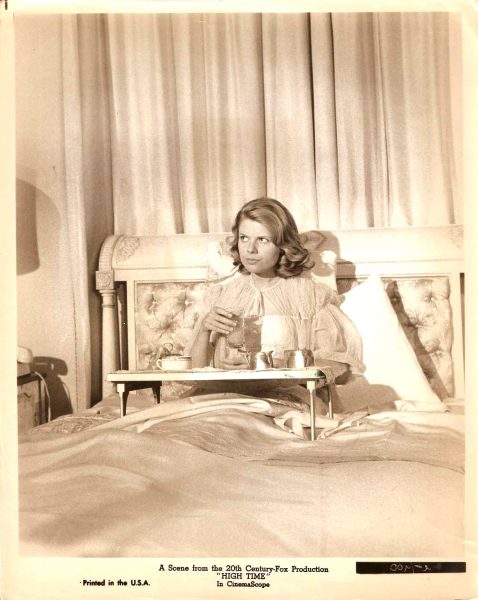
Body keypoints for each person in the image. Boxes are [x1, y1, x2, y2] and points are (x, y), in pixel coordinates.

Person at [189, 198, 364, 386]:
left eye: (263, 240)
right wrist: (204, 330)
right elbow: (194, 376)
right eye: (244, 238)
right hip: (224, 396)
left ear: (283, 245)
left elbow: (337, 369)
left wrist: (271, 367)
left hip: (286, 396)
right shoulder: (222, 295)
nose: (250, 249)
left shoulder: (310, 296)